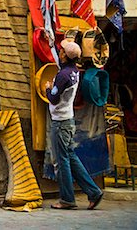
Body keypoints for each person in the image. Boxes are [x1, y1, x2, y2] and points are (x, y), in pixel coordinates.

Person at [45, 39, 103, 210]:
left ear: (64, 55)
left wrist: (48, 88)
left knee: (63, 161)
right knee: (70, 157)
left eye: (61, 50)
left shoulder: (63, 76)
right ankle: (93, 192)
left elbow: (53, 98)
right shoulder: (73, 72)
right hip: (67, 120)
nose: (60, 51)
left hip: (61, 123)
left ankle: (67, 199)